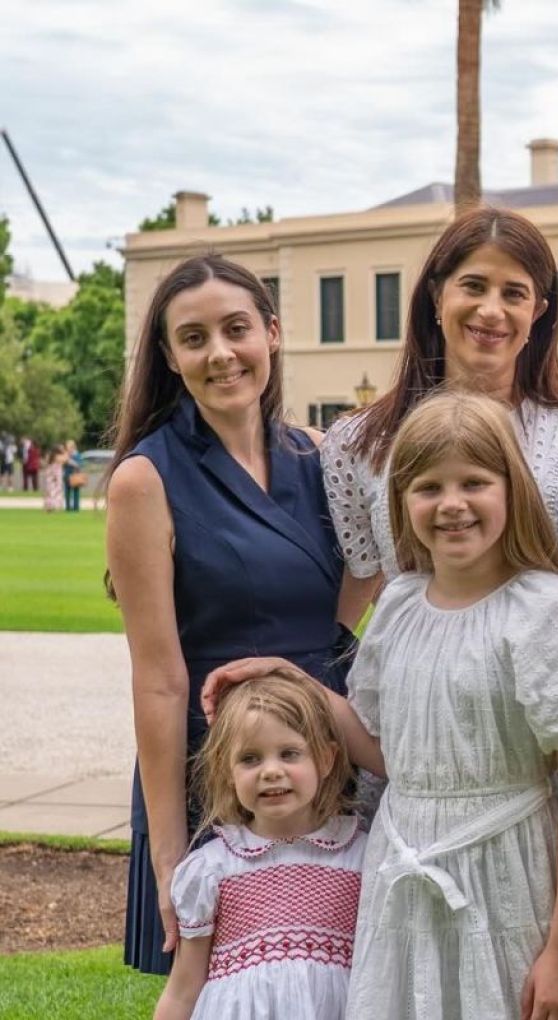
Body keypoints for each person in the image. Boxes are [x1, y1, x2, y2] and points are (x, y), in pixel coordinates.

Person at [309, 205, 558, 1014]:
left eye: (515, 292)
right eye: (472, 285)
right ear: (434, 294)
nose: (492, 309)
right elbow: (361, 600)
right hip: (440, 756)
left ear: (540, 308)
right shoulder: (359, 445)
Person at [331, 390, 558, 1018]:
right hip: (405, 881)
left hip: (512, 883)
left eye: (474, 482)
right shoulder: (398, 608)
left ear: (511, 489)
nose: (451, 505)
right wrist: (299, 687)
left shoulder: (544, 612)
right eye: (428, 487)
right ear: (401, 501)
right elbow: (394, 759)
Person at [106, 254, 352, 975]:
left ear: (272, 334)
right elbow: (158, 680)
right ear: (170, 356)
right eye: (194, 337)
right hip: (224, 773)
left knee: (329, 980)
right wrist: (168, 852)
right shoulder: (144, 480)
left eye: (236, 328)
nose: (220, 354)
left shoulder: (317, 457)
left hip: (328, 760)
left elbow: (349, 596)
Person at [155, 671, 366, 1020]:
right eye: (250, 759)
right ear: (227, 770)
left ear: (325, 759)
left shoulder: (359, 858)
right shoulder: (212, 868)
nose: (271, 771)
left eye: (289, 754)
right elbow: (183, 990)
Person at [41, 444, 65, 512]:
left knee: (49, 492)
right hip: (56, 476)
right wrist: (64, 451)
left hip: (49, 476)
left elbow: (45, 465)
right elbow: (65, 459)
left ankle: (48, 506)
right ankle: (55, 506)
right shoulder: (58, 457)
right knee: (56, 492)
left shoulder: (49, 456)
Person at [64, 439, 85, 512]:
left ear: (73, 447)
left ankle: (76, 508)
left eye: (70, 447)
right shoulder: (65, 455)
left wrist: (72, 462)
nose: (68, 448)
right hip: (67, 475)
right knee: (67, 492)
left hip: (75, 476)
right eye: (67, 447)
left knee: (76, 492)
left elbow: (80, 464)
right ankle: (68, 508)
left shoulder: (77, 455)